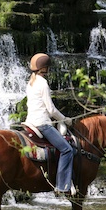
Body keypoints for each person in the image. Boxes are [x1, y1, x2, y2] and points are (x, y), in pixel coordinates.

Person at [25, 53, 75, 195]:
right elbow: (51, 109)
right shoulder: (43, 83)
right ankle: (62, 186)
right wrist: (64, 119)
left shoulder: (31, 82)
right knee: (67, 149)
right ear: (45, 68)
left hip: (30, 122)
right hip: (42, 124)